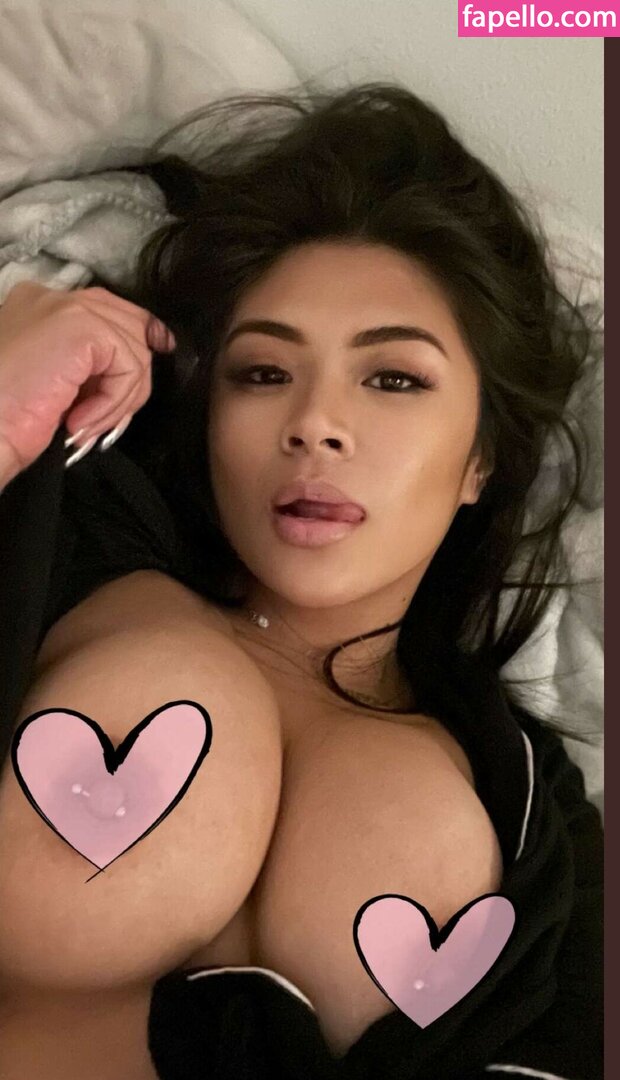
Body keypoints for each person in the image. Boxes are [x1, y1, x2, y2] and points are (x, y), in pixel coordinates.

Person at [0, 83, 603, 1080]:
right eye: (263, 373)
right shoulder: (63, 533)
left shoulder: (538, 807)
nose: (315, 423)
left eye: (393, 378)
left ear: (482, 459)